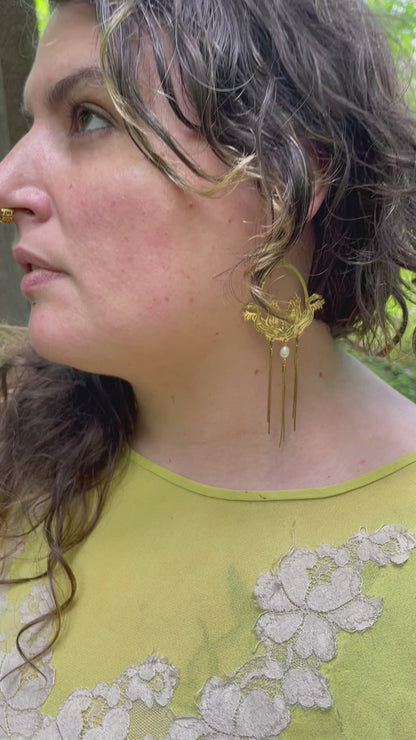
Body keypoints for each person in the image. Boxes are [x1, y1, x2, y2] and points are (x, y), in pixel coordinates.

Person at [0, 0, 415, 736]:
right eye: (28, 126)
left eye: (90, 117)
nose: (8, 185)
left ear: (291, 174)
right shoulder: (20, 438)